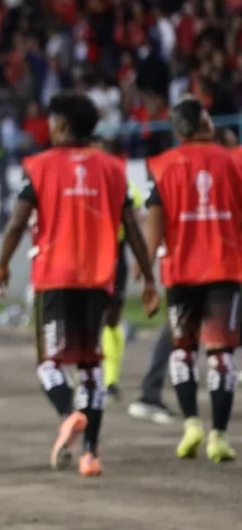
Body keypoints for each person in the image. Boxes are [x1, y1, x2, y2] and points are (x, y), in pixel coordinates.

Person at [0, 91, 159, 478]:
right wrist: (149, 277)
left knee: (49, 363)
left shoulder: (40, 166)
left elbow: (17, 222)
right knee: (90, 366)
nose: (48, 129)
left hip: (55, 278)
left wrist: (2, 264)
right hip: (97, 280)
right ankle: (90, 455)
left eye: (51, 123)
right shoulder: (113, 168)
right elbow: (132, 228)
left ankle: (69, 414)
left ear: (63, 126)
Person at [141, 96, 242, 463]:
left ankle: (191, 425)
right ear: (204, 123)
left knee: (182, 350)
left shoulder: (162, 166)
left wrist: (146, 274)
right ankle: (219, 435)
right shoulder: (233, 161)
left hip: (180, 273)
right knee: (221, 355)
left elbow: (154, 222)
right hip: (224, 270)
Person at [98, 140, 147, 401]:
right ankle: (89, 374)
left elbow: (135, 223)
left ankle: (110, 380)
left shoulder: (126, 186)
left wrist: (141, 260)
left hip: (114, 257)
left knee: (111, 318)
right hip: (87, 258)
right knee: (88, 317)